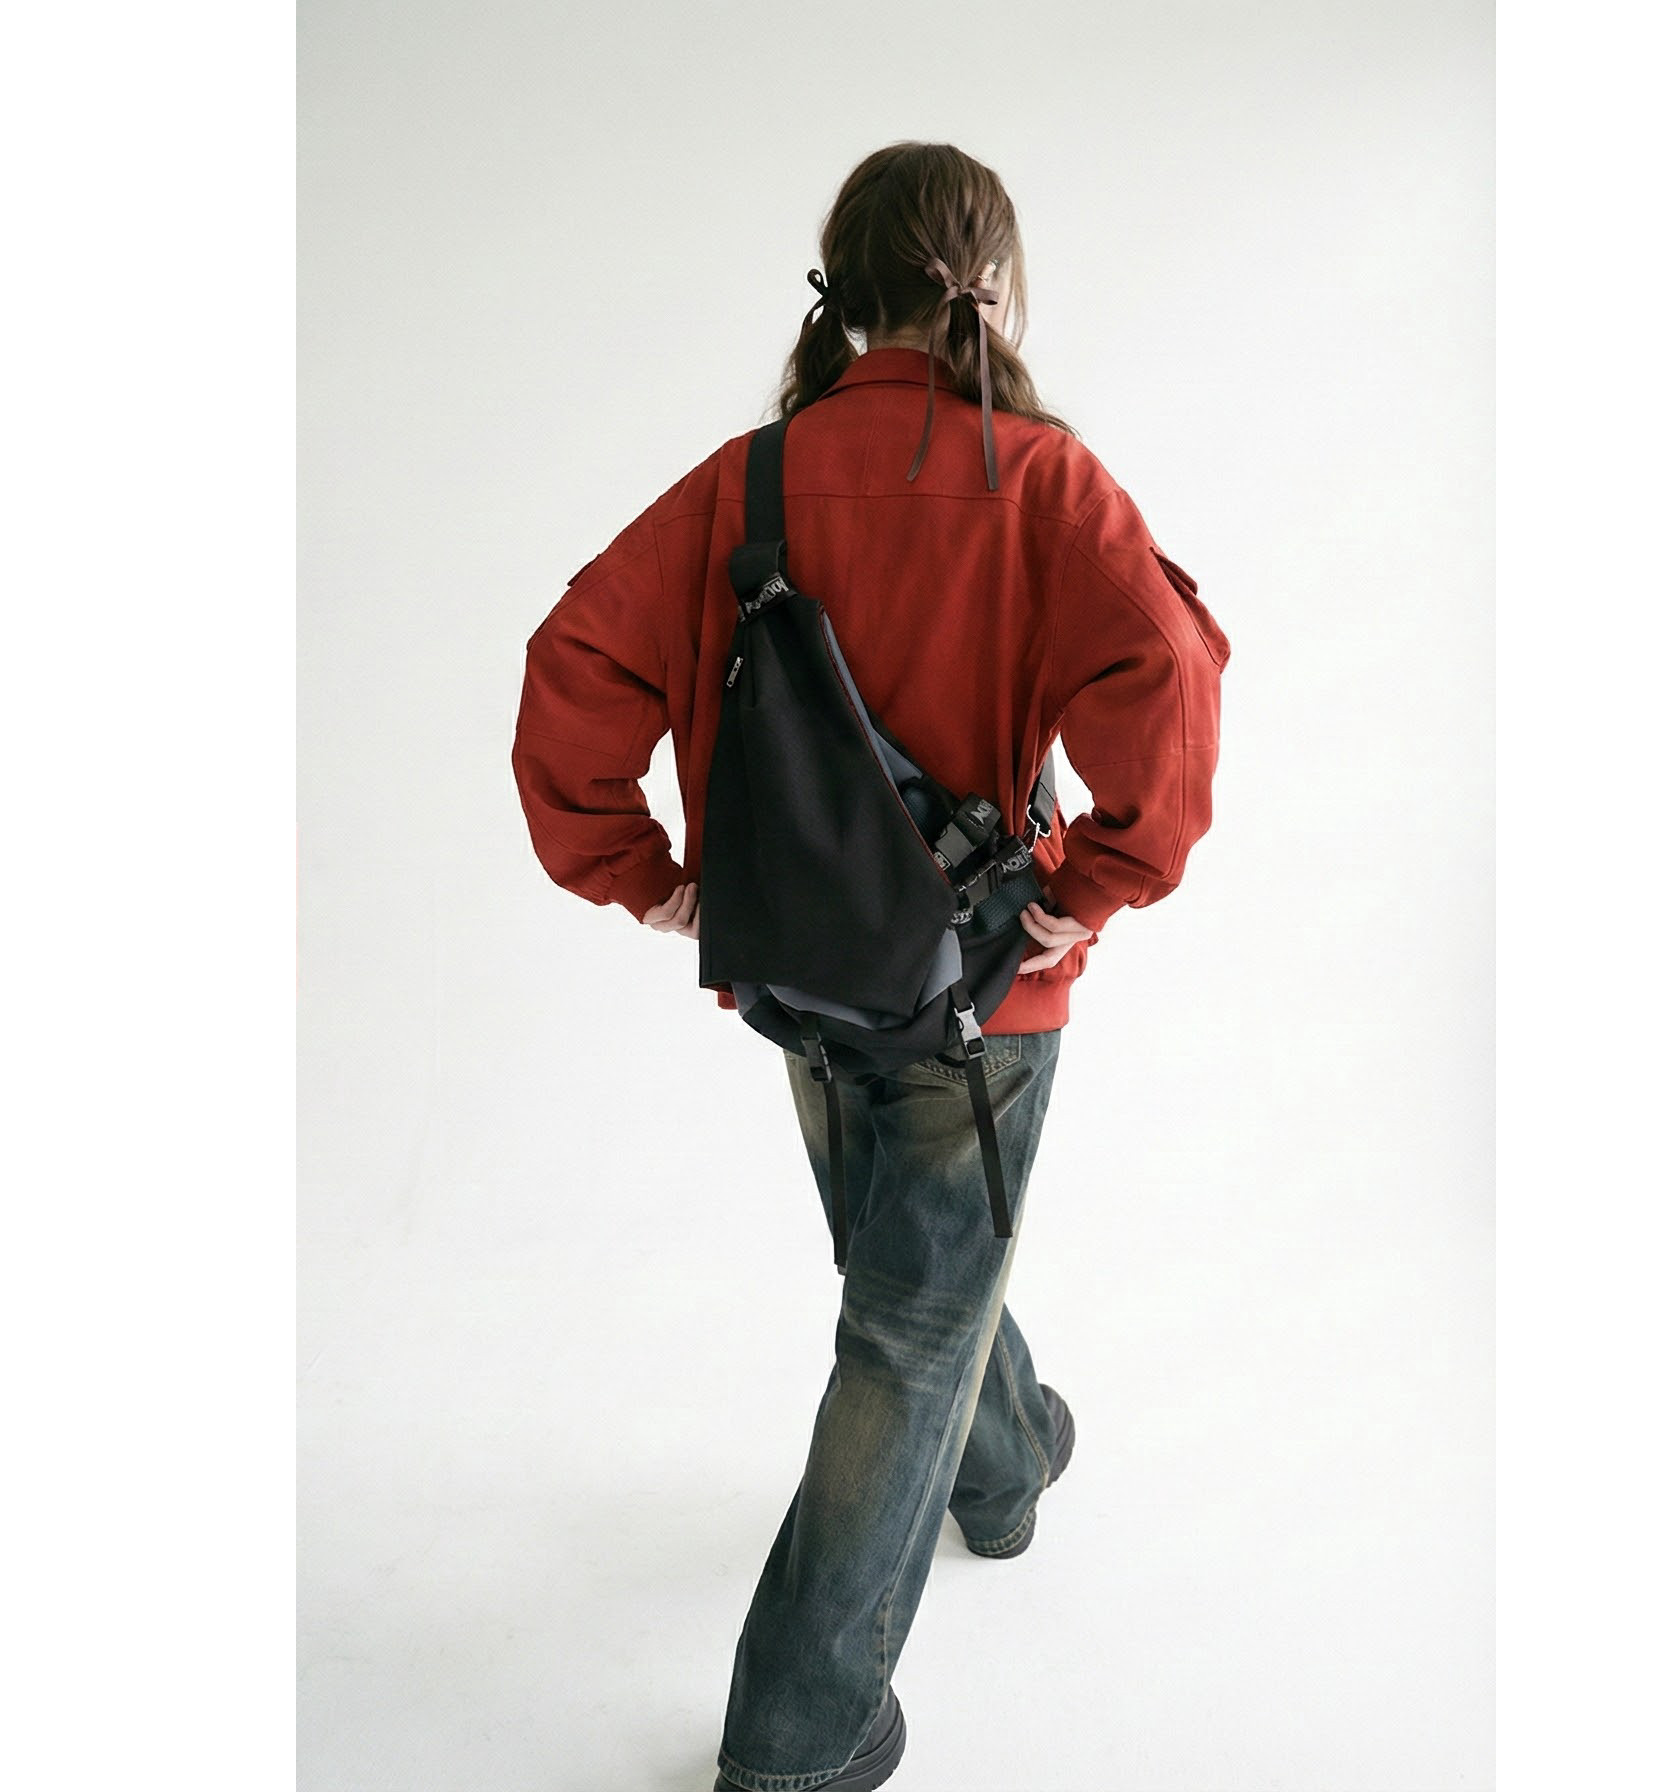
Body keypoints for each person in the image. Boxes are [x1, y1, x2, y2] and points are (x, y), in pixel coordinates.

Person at [511, 140, 1229, 1792]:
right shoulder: (1041, 483)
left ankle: (1004, 1462)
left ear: (841, 291)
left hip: (804, 975)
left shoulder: (745, 484)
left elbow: (572, 665)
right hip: (986, 986)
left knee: (914, 1273)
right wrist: (1095, 886)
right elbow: (1172, 687)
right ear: (994, 287)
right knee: (910, 1317)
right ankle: (800, 1734)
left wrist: (643, 877)